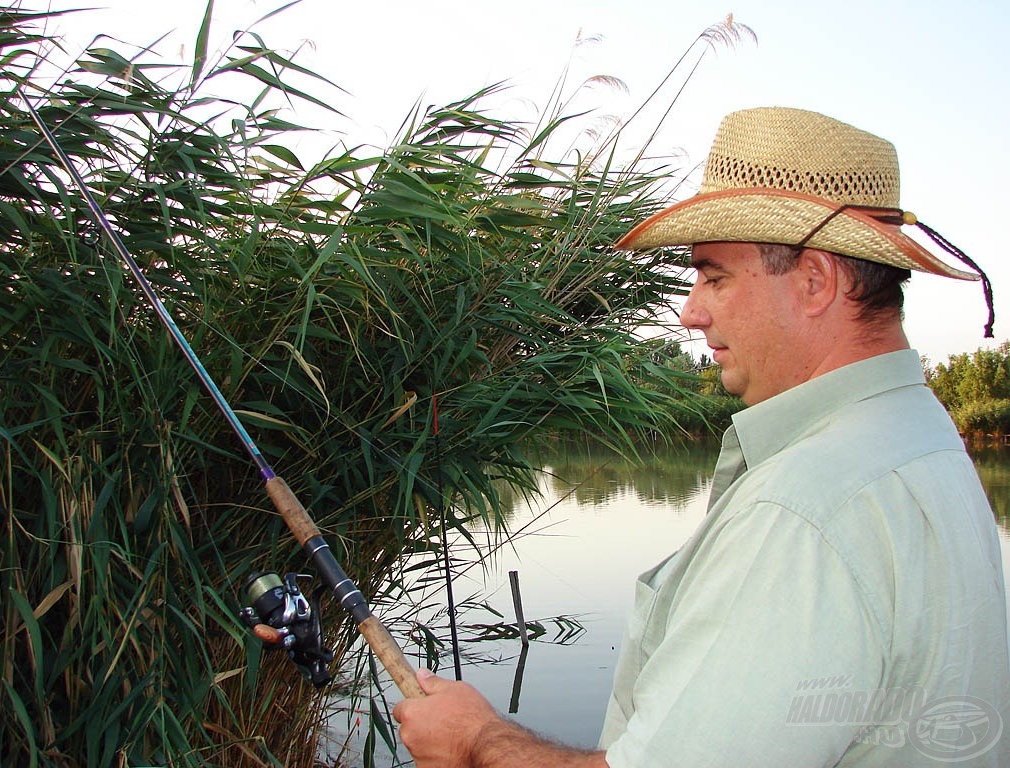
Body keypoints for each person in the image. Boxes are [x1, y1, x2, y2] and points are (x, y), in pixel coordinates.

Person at [392, 106, 1010, 767]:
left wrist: (479, 741)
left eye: (714, 275)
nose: (690, 310)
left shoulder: (803, 511)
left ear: (815, 281)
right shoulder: (922, 439)